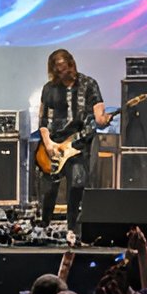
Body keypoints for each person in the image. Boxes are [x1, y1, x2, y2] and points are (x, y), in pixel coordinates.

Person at [35, 49, 105, 237]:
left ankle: (73, 228)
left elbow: (98, 111)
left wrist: (101, 119)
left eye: (66, 68)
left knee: (77, 183)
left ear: (72, 64)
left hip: (78, 144)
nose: (64, 73)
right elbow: (42, 120)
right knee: (49, 188)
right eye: (59, 70)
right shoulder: (49, 88)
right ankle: (44, 225)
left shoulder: (89, 84)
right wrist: (48, 143)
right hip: (53, 144)